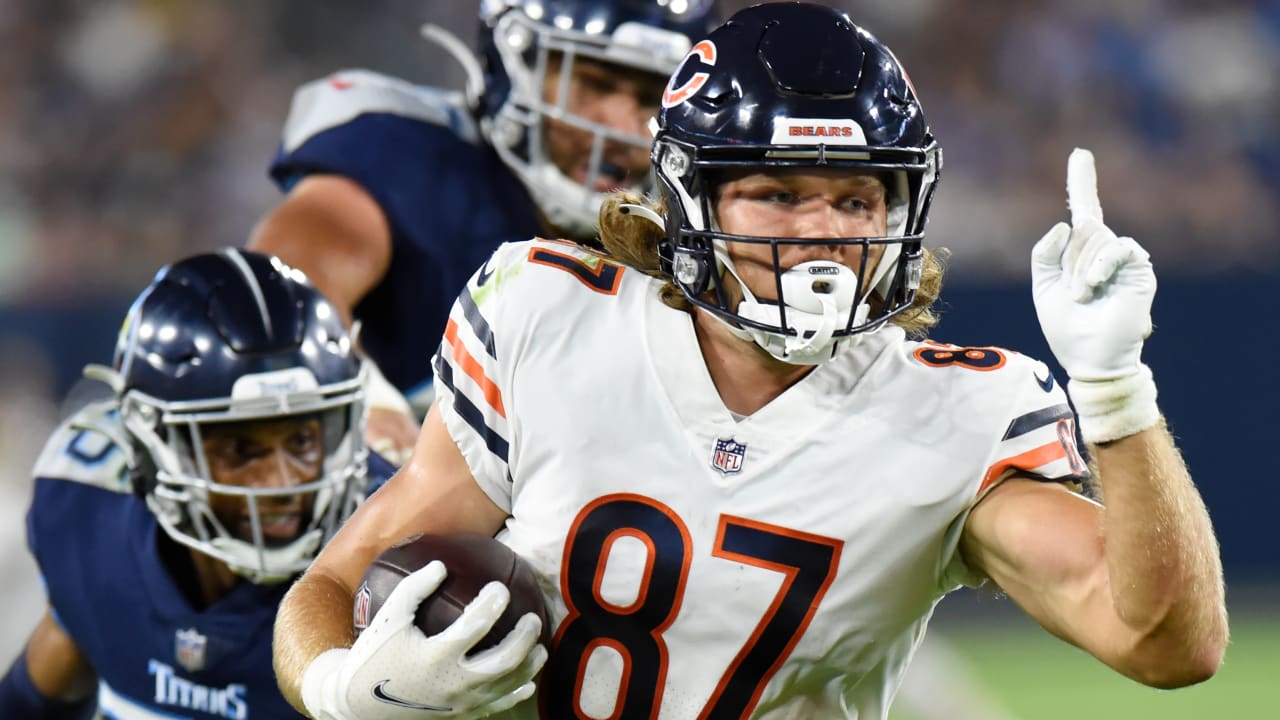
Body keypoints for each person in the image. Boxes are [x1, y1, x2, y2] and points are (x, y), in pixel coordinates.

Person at [272, 4, 1228, 719]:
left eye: (857, 200)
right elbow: (328, 588)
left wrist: (1117, 392)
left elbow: (1165, 644)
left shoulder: (963, 410)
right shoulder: (544, 311)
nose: (821, 232)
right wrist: (342, 689)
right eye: (776, 193)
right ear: (690, 202)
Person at [248, 0, 719, 434]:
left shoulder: (695, 231)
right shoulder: (415, 159)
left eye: (647, 97)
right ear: (513, 67)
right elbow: (281, 294)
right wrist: (368, 406)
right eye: (594, 83)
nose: (620, 128)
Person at [0, 249, 394, 719]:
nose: (285, 481)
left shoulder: (391, 553)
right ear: (152, 447)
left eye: (304, 440)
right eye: (241, 451)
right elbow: (32, 699)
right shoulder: (91, 513)